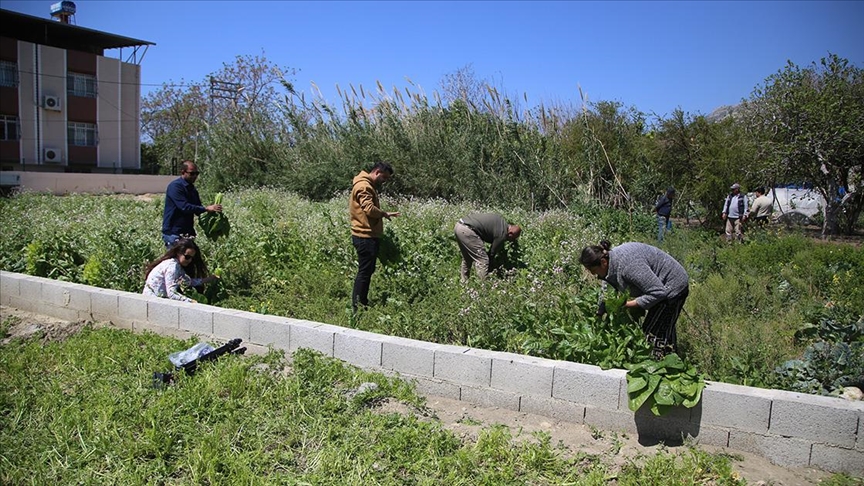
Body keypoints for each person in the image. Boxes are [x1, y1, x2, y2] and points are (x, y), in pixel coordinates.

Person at [580, 240, 689, 359]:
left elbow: (658, 292)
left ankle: (661, 366)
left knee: (651, 335)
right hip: (660, 287)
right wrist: (600, 312)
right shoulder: (609, 264)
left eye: (593, 271)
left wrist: (626, 304)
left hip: (672, 287)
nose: (593, 275)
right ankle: (674, 361)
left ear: (603, 262)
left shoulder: (628, 266)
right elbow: (607, 287)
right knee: (663, 328)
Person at [349, 161, 400, 311]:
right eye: (384, 177)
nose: (384, 181)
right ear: (377, 172)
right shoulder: (364, 186)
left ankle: (361, 302)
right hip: (365, 236)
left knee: (367, 270)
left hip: (367, 235)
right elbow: (369, 209)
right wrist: (383, 214)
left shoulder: (365, 184)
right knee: (364, 272)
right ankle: (358, 306)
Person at [161, 160, 222, 248]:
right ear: (183, 172)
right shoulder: (175, 186)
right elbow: (184, 207)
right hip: (174, 232)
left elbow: (198, 210)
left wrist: (214, 214)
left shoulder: (192, 189)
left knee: (188, 260)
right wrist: (206, 208)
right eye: (192, 173)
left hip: (187, 232)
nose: (195, 176)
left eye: (197, 173)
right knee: (176, 261)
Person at [142, 239, 218, 303]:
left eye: (192, 258)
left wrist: (209, 279)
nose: (190, 260)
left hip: (157, 299)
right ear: (179, 253)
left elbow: (187, 282)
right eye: (187, 257)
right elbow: (171, 293)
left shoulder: (177, 266)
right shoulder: (172, 267)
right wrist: (191, 302)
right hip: (152, 300)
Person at [454, 213, 521, 282]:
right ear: (510, 234)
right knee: (483, 259)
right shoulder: (502, 234)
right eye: (512, 238)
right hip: (468, 231)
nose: (510, 241)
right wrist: (491, 267)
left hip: (459, 226)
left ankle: (464, 282)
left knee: (467, 257)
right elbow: (492, 253)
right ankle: (483, 286)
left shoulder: (501, 222)